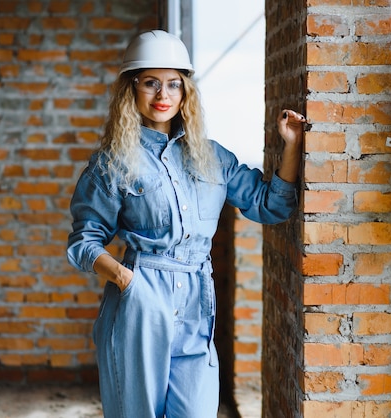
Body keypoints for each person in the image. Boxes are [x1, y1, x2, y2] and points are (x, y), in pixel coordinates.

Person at [66, 29, 306, 418]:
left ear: (185, 92)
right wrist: (128, 282)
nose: (163, 95)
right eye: (151, 83)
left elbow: (270, 207)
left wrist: (292, 145)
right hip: (141, 299)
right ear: (132, 89)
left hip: (197, 299)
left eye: (173, 84)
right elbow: (84, 242)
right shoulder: (112, 163)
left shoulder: (212, 157)